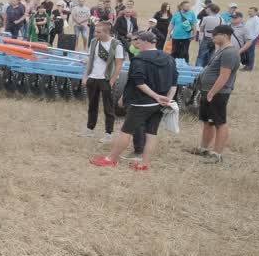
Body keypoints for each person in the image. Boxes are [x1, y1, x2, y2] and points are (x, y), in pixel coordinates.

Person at [92, 31, 177, 171]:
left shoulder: (139, 59)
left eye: (138, 41)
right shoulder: (169, 59)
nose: (136, 44)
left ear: (144, 42)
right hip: (159, 104)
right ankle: (144, 164)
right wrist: (167, 99)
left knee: (126, 131)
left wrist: (155, 96)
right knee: (151, 134)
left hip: (141, 102)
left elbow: (139, 82)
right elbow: (174, 83)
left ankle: (111, 159)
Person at [187, 25, 239, 164]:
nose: (212, 37)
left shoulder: (229, 53)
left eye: (215, 34)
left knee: (219, 122)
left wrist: (212, 92)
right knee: (207, 121)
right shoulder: (221, 50)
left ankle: (217, 154)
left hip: (218, 93)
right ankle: (203, 148)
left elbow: (224, 76)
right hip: (208, 90)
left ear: (225, 35)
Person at [80, 21, 124, 144]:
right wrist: (85, 76)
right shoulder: (94, 42)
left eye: (98, 32)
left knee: (108, 108)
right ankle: (90, 129)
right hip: (93, 78)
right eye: (95, 31)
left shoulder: (116, 45)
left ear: (106, 32)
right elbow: (90, 60)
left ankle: (108, 134)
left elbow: (118, 65)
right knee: (92, 105)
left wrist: (112, 81)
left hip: (106, 79)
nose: (95, 34)